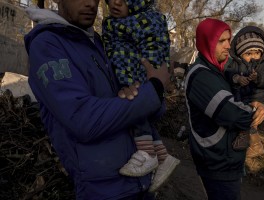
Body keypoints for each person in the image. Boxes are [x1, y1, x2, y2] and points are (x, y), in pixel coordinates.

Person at [24, 0, 171, 199]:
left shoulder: (100, 43)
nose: (91, 4)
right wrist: (154, 89)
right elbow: (83, 119)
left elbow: (144, 108)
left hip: (140, 180)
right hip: (104, 190)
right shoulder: (48, 45)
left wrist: (145, 92)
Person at [184, 18, 264, 200]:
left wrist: (260, 103)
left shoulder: (217, 71)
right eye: (221, 41)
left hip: (226, 159)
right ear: (207, 42)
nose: (228, 46)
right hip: (217, 161)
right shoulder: (201, 76)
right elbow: (231, 114)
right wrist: (256, 112)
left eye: (229, 40)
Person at [102, 0, 179, 191]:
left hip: (137, 76)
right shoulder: (113, 22)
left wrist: (148, 80)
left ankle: (147, 153)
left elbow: (155, 49)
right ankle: (162, 157)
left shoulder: (148, 21)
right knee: (138, 113)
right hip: (125, 75)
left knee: (136, 110)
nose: (115, 3)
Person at [225, 26, 264, 158]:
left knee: (251, 120)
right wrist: (236, 78)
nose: (254, 57)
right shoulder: (235, 65)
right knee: (243, 120)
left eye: (257, 53)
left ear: (262, 52)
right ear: (240, 54)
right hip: (239, 100)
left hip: (257, 99)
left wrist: (258, 77)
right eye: (248, 54)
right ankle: (246, 141)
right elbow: (228, 73)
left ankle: (254, 145)